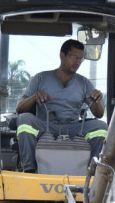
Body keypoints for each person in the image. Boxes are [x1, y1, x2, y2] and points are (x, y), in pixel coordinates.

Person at [14, 39, 106, 173]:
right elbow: (19, 108)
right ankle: (29, 169)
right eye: (74, 57)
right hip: (46, 126)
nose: (77, 62)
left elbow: (99, 114)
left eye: (80, 59)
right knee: (24, 120)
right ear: (62, 55)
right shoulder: (40, 78)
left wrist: (97, 100)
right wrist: (35, 96)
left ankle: (92, 172)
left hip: (73, 128)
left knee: (101, 127)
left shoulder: (84, 83)